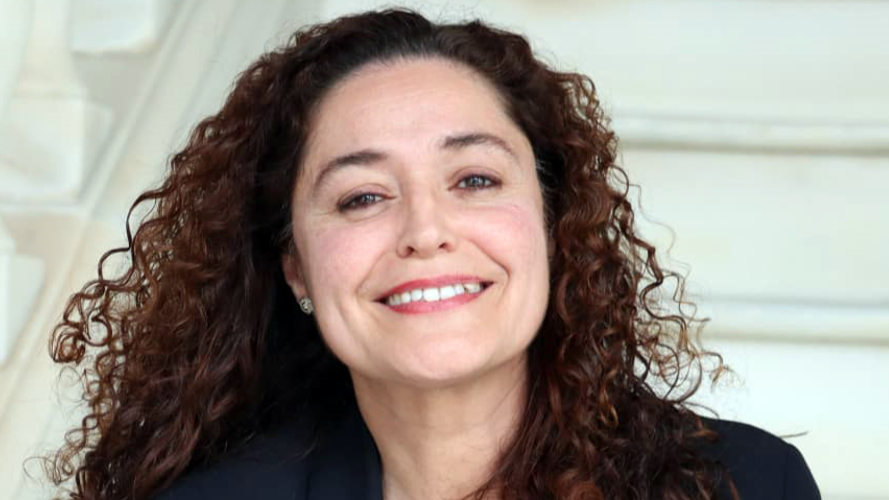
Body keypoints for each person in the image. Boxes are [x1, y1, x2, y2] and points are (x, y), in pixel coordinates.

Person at [44, 8, 820, 500]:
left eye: (474, 179)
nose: (425, 229)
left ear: (552, 224)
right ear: (296, 268)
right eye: (362, 196)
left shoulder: (745, 486)